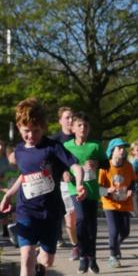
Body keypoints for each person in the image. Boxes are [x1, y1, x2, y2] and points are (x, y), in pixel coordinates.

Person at [0, 98, 85, 276]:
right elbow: (25, 175)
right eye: (26, 131)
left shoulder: (52, 147)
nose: (30, 136)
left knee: (46, 261)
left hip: (50, 213)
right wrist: (10, 195)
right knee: (25, 254)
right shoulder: (18, 151)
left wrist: (79, 182)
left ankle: (41, 266)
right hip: (26, 210)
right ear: (19, 128)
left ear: (43, 128)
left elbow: (76, 166)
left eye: (35, 131)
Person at [64, 113, 108, 275]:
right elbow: (61, 164)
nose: (83, 128)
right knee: (81, 220)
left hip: (92, 190)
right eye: (80, 125)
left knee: (92, 225)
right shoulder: (67, 146)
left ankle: (92, 257)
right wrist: (64, 173)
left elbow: (107, 164)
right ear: (73, 128)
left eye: (86, 126)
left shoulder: (95, 146)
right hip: (75, 189)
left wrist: (96, 163)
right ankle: (83, 256)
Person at [99, 138, 138, 268]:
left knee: (125, 232)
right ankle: (113, 256)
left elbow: (133, 182)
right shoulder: (105, 166)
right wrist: (108, 190)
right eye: (119, 148)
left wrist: (131, 191)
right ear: (112, 151)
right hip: (109, 203)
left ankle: (115, 245)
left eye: (124, 148)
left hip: (124, 203)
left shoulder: (128, 166)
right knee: (114, 230)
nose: (123, 151)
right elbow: (99, 189)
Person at [52, 106, 78, 257]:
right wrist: (63, 173)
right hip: (60, 183)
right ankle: (61, 238)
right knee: (64, 214)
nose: (70, 120)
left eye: (72, 117)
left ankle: (78, 243)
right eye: (67, 117)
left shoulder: (80, 138)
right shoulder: (55, 141)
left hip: (80, 183)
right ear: (60, 121)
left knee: (77, 217)